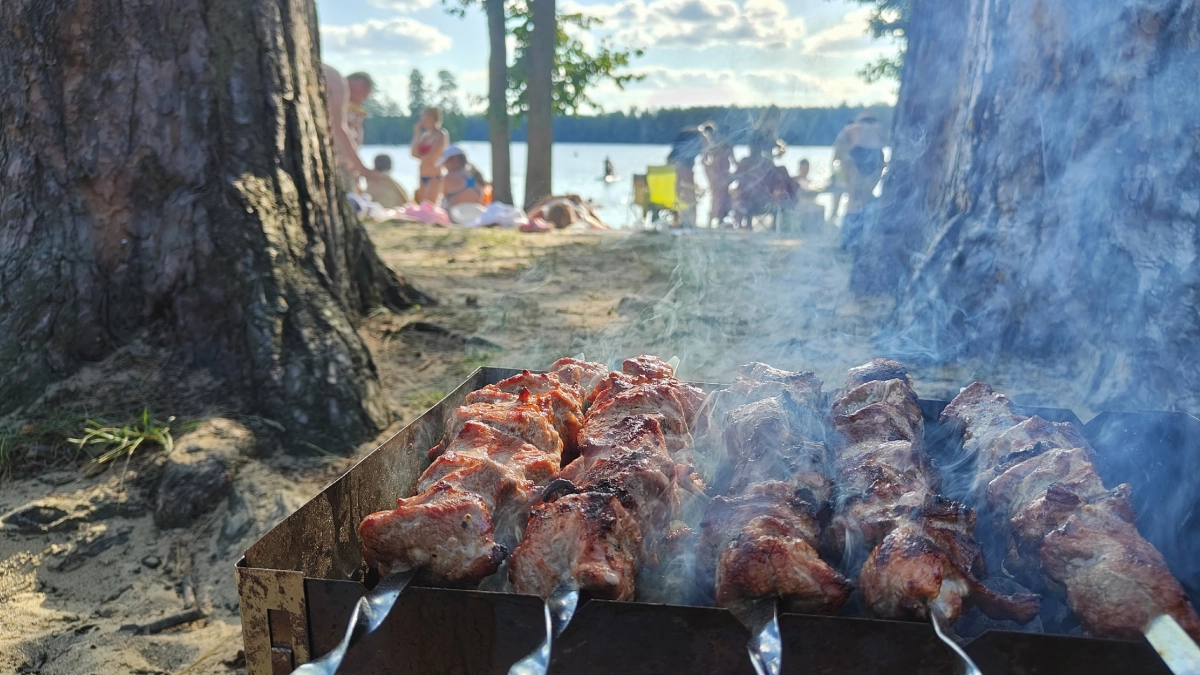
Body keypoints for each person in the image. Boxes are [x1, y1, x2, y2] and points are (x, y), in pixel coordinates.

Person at [322, 65, 379, 192]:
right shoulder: (338, 84)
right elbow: (338, 129)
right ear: (361, 86)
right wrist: (362, 169)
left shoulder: (330, 80)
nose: (363, 100)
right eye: (365, 95)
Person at [832, 110, 886, 215]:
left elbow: (837, 156)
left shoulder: (849, 131)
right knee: (861, 199)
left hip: (860, 166)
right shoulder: (877, 133)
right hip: (870, 166)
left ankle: (841, 214)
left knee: (856, 198)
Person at [667, 126, 706, 228]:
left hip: (669, 195)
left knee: (686, 195)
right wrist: (697, 189)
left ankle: (677, 221)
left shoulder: (671, 161)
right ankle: (691, 224)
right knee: (692, 197)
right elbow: (686, 186)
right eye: (701, 141)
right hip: (682, 197)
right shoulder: (685, 166)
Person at [411, 106, 449, 203]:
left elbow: (433, 157)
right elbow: (413, 153)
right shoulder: (425, 136)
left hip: (434, 176)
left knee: (429, 205)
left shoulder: (441, 134)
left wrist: (421, 156)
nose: (422, 119)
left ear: (432, 117)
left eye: (424, 116)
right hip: (422, 175)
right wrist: (417, 133)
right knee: (421, 204)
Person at [701, 122, 734, 226]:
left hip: (724, 175)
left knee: (724, 197)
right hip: (716, 175)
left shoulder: (727, 146)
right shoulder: (714, 146)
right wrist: (710, 171)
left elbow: (734, 161)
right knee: (717, 197)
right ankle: (711, 221)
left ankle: (720, 221)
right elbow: (704, 160)